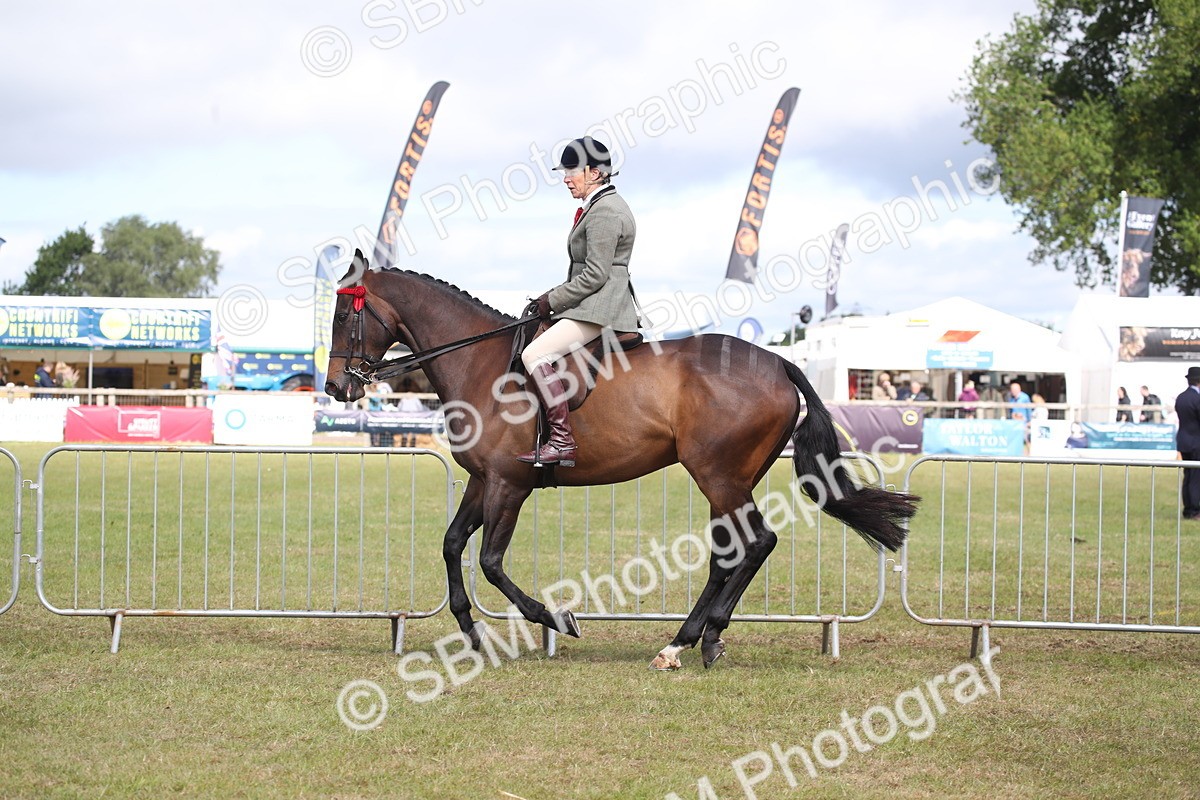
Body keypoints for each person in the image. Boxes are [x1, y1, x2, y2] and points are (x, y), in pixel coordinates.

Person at [515, 136, 638, 468]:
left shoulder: (606, 211)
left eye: (572, 171)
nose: (566, 179)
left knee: (534, 354)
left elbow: (595, 274)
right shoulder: (599, 206)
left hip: (600, 309)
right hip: (591, 304)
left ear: (594, 173)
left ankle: (561, 441)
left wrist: (553, 300)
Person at [1175, 366, 1200, 520]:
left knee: (1188, 475)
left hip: (1184, 441)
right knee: (1196, 477)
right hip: (1196, 442)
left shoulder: (1181, 397)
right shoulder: (1197, 399)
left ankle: (1188, 508)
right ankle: (1194, 510)